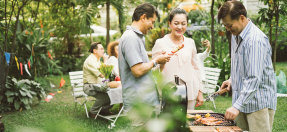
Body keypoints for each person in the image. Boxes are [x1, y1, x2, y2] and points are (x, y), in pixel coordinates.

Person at [218, 1, 277, 131]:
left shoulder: (255, 40)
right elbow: (242, 65)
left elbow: (254, 77)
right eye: (225, 26)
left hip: (258, 103)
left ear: (242, 18)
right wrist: (232, 79)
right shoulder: (236, 34)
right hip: (241, 99)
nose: (228, 29)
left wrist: (236, 106)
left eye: (229, 25)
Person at [118, 3, 170, 131]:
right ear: (143, 17)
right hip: (139, 103)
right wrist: (156, 60)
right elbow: (137, 70)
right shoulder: (131, 38)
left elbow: (141, 66)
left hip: (144, 101)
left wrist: (156, 61)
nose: (152, 26)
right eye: (152, 22)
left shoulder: (136, 37)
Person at [152, 8, 204, 110]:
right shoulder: (160, 43)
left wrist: (200, 91)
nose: (180, 27)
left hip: (189, 90)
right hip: (167, 92)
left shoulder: (190, 42)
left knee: (188, 122)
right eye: (176, 23)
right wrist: (161, 64)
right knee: (167, 124)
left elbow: (196, 68)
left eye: (183, 23)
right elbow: (153, 70)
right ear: (169, 24)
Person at [83, 42, 113, 118]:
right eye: (101, 49)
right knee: (105, 95)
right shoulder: (90, 61)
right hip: (89, 87)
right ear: (94, 51)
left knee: (112, 93)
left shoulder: (97, 59)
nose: (103, 51)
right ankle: (93, 112)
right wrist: (106, 61)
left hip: (98, 85)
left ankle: (104, 110)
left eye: (103, 49)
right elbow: (102, 74)